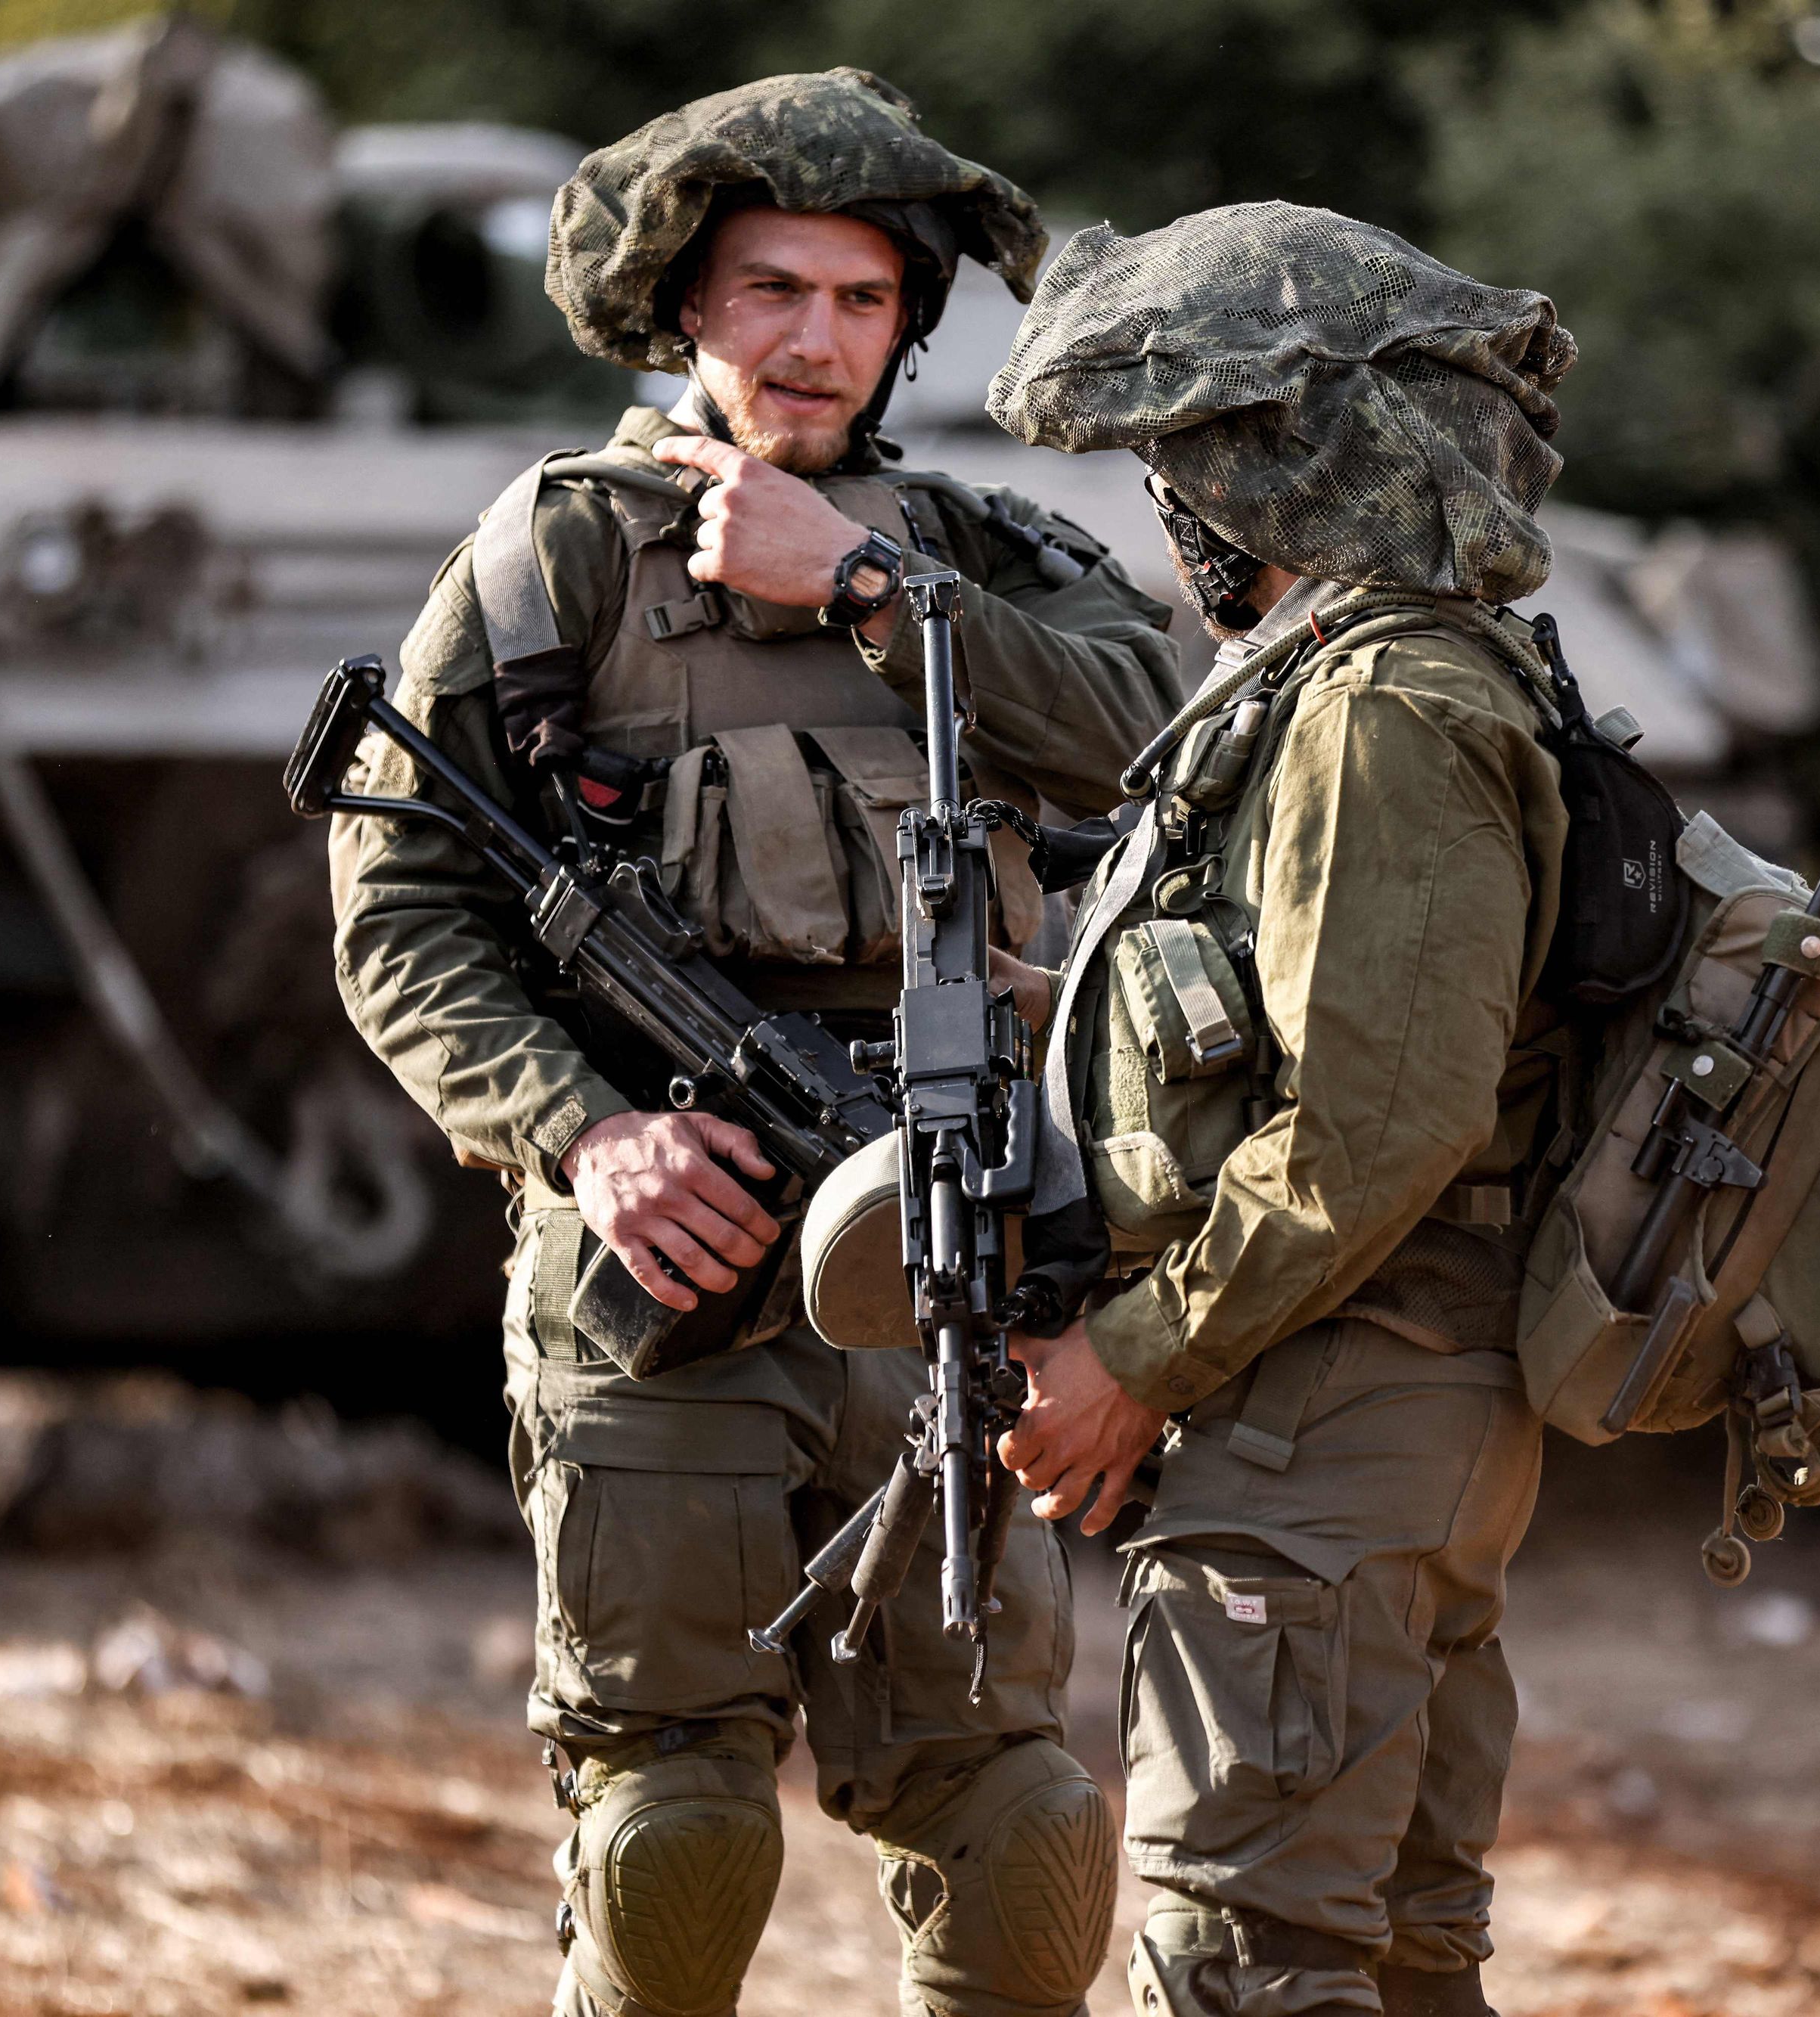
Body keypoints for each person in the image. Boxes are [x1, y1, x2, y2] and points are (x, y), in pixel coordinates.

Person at [330, 69, 1177, 2017]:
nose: (811, 339)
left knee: (1020, 1817)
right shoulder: (553, 559)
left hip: (944, 1273)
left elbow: (1158, 738)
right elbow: (400, 916)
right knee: (675, 1829)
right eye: (770, 290)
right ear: (687, 309)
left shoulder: (986, 557)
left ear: (903, 331)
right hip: (666, 1267)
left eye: (860, 301)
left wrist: (872, 591)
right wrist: (584, 1133)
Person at [984, 203, 1583, 2017]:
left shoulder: (1385, 704)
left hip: (1333, 1418)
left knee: (1247, 1961)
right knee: (1386, 1961)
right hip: (1357, 1414)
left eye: (1186, 462)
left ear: (1273, 470)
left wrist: (1137, 1355)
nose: (1166, 512)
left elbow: (1373, 1126)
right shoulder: (1354, 685)